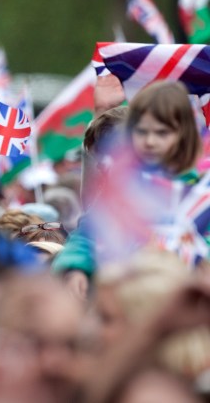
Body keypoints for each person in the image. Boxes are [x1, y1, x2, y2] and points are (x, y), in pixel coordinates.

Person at [55, 81, 203, 298]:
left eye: (162, 133)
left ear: (184, 135)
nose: (150, 141)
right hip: (125, 299)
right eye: (142, 132)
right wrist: (74, 267)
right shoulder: (126, 188)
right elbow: (88, 234)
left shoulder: (200, 189)